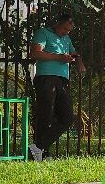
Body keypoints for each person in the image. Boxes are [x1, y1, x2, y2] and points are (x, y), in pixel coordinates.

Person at [29, 10, 85, 160]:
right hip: (46, 77)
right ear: (57, 23)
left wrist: (79, 62)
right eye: (65, 28)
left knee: (67, 117)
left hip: (62, 80)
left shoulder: (66, 38)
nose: (67, 32)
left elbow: (74, 53)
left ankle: (38, 147)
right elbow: (35, 53)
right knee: (45, 115)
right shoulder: (43, 33)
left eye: (69, 30)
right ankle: (42, 152)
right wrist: (59, 57)